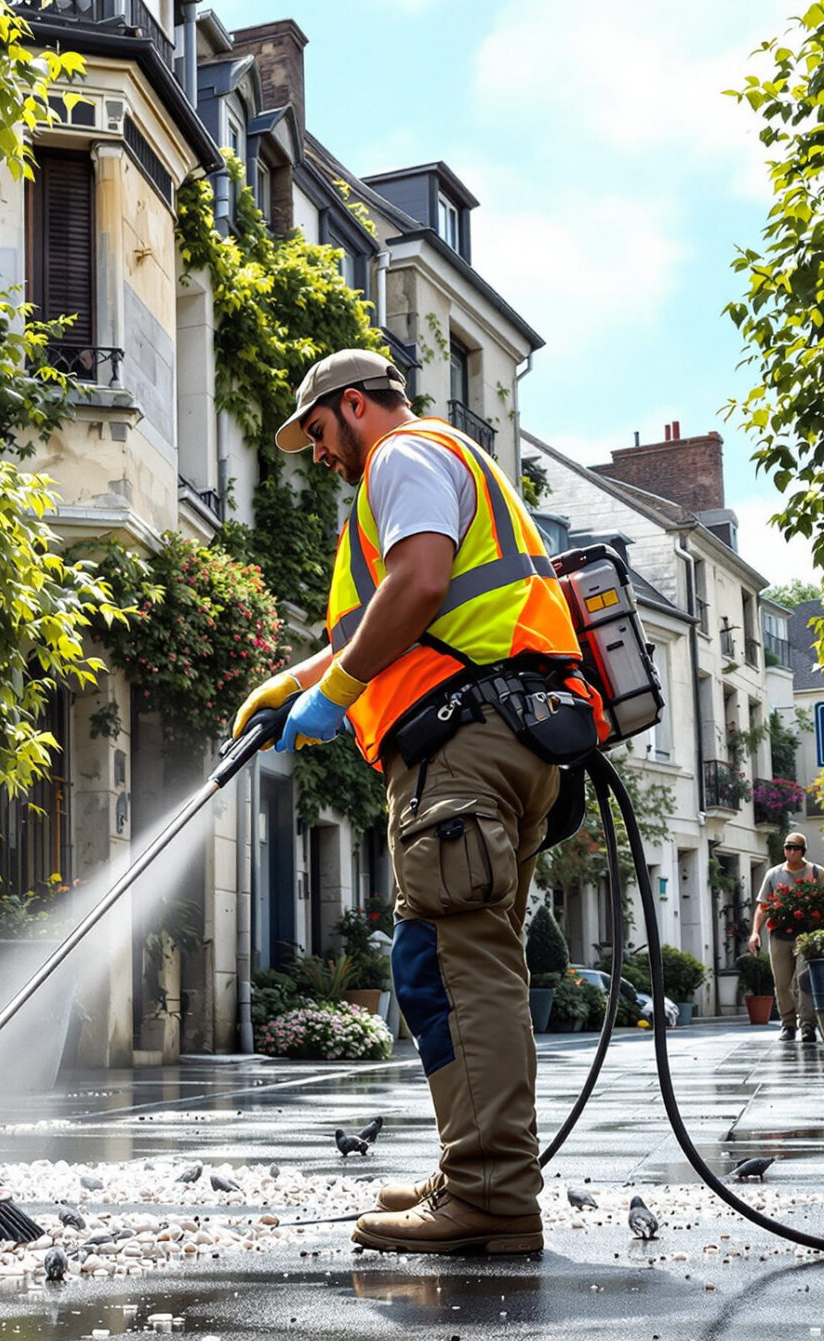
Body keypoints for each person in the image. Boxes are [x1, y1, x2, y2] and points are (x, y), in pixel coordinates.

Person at [231, 349, 591, 1256]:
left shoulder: (403, 457)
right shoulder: (443, 465)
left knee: (455, 966)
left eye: (317, 430)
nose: (316, 452)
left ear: (356, 405)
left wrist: (338, 690)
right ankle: (472, 1168)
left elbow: (421, 581)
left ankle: (491, 1195)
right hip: (503, 734)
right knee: (454, 964)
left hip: (463, 748)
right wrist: (294, 684)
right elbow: (400, 620)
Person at [750, 834, 824, 1042]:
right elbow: (763, 907)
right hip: (780, 936)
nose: (791, 852)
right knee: (782, 983)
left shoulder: (816, 872)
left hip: (807, 936)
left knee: (804, 981)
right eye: (788, 848)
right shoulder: (773, 874)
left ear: (803, 850)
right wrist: (755, 932)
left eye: (795, 848)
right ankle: (788, 1024)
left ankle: (807, 1025)